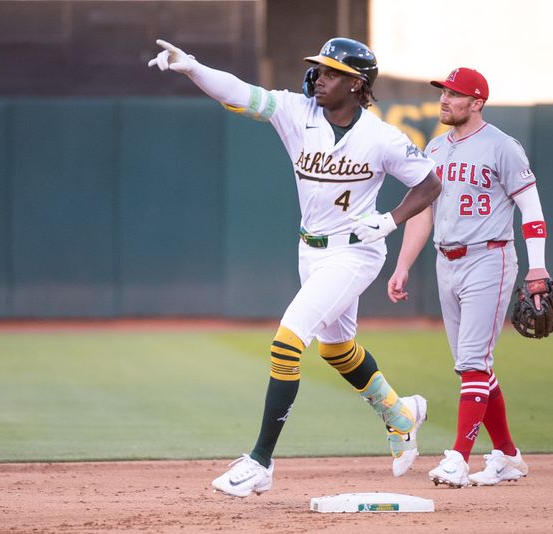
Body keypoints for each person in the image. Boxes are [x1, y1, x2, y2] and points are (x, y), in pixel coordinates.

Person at [149, 37, 441, 497]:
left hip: (355, 253)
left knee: (287, 343)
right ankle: (400, 413)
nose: (318, 77)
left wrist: (389, 220)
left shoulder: (382, 137)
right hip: (312, 250)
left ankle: (260, 462)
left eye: (330, 72)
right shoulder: (296, 112)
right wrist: (193, 68)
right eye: (319, 70)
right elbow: (238, 91)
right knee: (336, 349)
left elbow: (428, 184)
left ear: (356, 84)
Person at [387, 67, 549, 487]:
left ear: (477, 103)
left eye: (454, 94)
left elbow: (530, 210)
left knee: (473, 362)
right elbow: (424, 213)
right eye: (443, 92)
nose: (444, 99)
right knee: (470, 367)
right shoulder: (436, 148)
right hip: (447, 261)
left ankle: (458, 458)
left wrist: (537, 267)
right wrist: (403, 265)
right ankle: (509, 456)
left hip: (489, 259)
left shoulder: (502, 147)